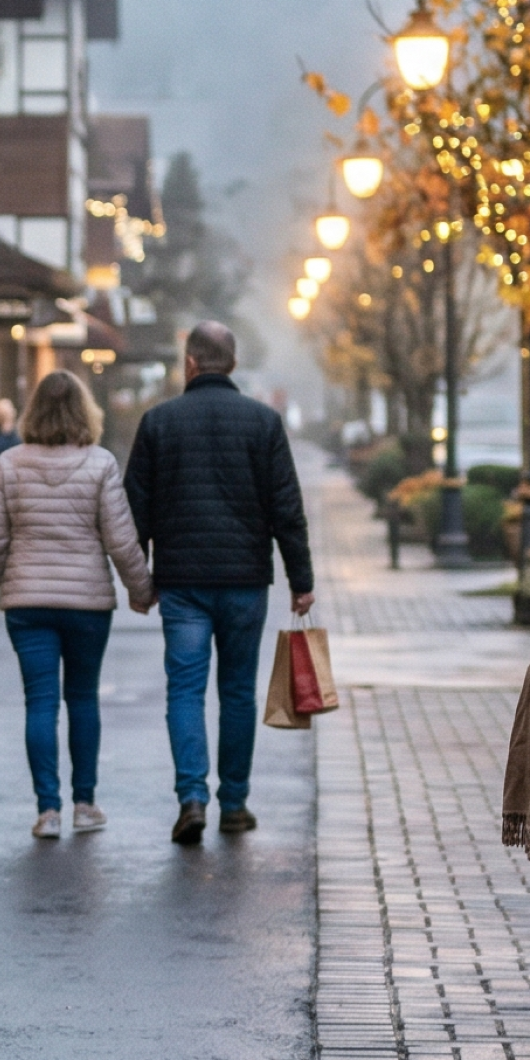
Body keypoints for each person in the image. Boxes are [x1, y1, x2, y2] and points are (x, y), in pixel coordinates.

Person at [123, 321, 313, 846]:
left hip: (181, 581)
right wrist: (302, 580)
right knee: (236, 692)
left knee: (184, 689)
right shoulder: (263, 422)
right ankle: (234, 803)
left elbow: (133, 510)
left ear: (189, 363)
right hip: (244, 581)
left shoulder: (158, 422)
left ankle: (191, 797)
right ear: (231, 363)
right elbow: (286, 509)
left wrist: (139, 581)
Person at [0, 372, 155, 839]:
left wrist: (10, 579)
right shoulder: (99, 464)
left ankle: (46, 810)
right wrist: (141, 590)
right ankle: (85, 803)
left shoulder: (9, 464)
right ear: (85, 411)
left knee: (39, 702)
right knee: (81, 698)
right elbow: (121, 539)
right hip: (86, 605)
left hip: (28, 605)